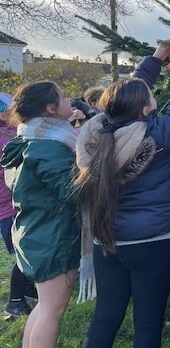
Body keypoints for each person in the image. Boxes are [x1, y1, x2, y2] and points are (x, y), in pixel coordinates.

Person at [74, 37, 170, 348]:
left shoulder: (95, 131)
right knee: (148, 323)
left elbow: (126, 94)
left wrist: (156, 57)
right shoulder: (160, 135)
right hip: (151, 245)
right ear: (146, 109)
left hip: (105, 239)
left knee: (106, 316)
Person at [0, 82, 81, 348]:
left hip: (35, 230)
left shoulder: (27, 138)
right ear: (50, 108)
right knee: (52, 310)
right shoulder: (49, 146)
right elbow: (72, 191)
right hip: (53, 236)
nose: (69, 100)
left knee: (45, 306)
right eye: (63, 97)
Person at [0, 93, 37, 318]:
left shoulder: (11, 132)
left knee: (27, 251)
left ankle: (29, 288)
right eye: (9, 109)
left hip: (13, 204)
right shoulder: (7, 137)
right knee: (26, 253)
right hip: (9, 207)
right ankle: (15, 300)